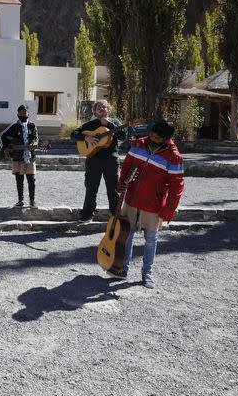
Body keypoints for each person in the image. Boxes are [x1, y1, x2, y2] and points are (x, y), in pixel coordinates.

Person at [110, 120, 184, 289]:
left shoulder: (174, 157)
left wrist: (169, 210)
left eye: (156, 137)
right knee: (126, 235)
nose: (152, 138)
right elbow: (127, 164)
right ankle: (123, 269)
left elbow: (177, 186)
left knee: (151, 239)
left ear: (166, 139)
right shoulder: (138, 144)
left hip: (154, 204)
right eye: (151, 134)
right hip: (132, 200)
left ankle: (147, 273)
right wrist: (121, 184)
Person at [70, 100, 126, 222]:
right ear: (95, 111)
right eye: (98, 107)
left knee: (113, 190)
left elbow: (123, 136)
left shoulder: (115, 122)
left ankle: (116, 216)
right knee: (91, 189)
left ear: (108, 109)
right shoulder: (90, 124)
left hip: (111, 161)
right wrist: (86, 137)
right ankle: (87, 215)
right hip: (93, 161)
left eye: (104, 107)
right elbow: (73, 134)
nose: (101, 108)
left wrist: (110, 125)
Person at [0, 105, 39, 208]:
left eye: (24, 113)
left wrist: (33, 143)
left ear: (28, 114)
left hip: (29, 156)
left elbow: (35, 138)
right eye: (20, 113)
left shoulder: (32, 126)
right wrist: (5, 148)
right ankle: (20, 200)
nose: (23, 114)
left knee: (31, 179)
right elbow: (1, 136)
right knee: (19, 179)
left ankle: (32, 201)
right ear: (17, 114)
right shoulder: (14, 126)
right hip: (17, 156)